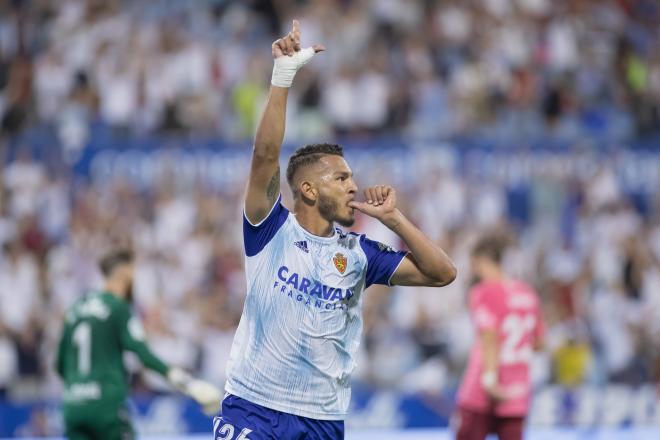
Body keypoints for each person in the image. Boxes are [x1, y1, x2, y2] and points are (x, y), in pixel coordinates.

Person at [213, 20, 457, 439]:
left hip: (323, 420)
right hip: (254, 408)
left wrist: (395, 221)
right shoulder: (270, 231)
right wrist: (283, 76)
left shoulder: (361, 254)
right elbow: (265, 155)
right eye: (341, 178)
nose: (354, 186)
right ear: (308, 189)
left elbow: (443, 274)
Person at [56, 248, 222, 440]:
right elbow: (143, 354)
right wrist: (188, 384)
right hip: (105, 406)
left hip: (73, 407)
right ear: (124, 276)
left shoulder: (76, 309)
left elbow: (60, 364)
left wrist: (80, 388)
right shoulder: (117, 308)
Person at [455, 236, 545, 440]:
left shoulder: (483, 292)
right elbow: (539, 342)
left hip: (482, 389)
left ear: (480, 261)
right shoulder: (528, 293)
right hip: (516, 391)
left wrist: (490, 379)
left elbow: (489, 335)